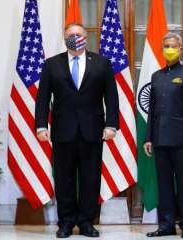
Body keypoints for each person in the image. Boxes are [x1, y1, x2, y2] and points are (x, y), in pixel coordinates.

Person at [35, 23, 119, 238]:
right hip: (63, 131)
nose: (74, 38)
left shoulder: (102, 63)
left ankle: (86, 222)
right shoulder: (52, 64)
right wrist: (41, 125)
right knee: (64, 179)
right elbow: (43, 98)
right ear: (65, 39)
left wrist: (111, 125)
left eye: (78, 34)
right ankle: (65, 222)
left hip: (93, 130)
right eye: (70, 35)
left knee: (91, 179)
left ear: (86, 37)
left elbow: (111, 97)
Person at [143, 32, 183, 239]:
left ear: (180, 49)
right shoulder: (156, 76)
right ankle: (166, 225)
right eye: (166, 46)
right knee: (164, 184)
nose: (169, 49)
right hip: (159, 138)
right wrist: (148, 137)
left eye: (173, 46)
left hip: (181, 139)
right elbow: (152, 109)